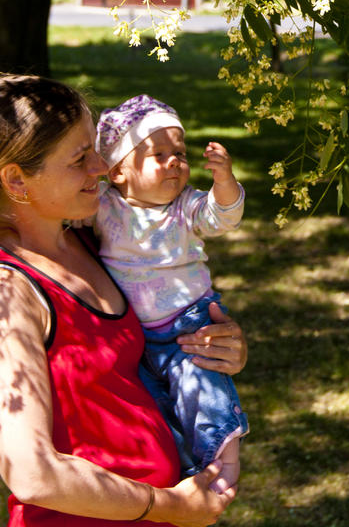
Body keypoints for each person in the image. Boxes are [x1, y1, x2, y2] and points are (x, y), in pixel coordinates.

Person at [0, 73, 247, 527]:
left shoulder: (91, 240)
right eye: (80, 158)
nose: (101, 166)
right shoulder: (1, 291)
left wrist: (219, 347)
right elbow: (31, 472)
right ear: (17, 179)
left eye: (95, 148)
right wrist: (166, 505)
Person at [94, 95, 249, 495]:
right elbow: (59, 213)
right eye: (158, 154)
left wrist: (223, 181)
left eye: (179, 152)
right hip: (136, 334)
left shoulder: (185, 206)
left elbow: (223, 216)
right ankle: (182, 465)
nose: (175, 161)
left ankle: (223, 456)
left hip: (190, 322)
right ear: (117, 172)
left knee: (203, 389)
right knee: (157, 404)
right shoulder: (103, 207)